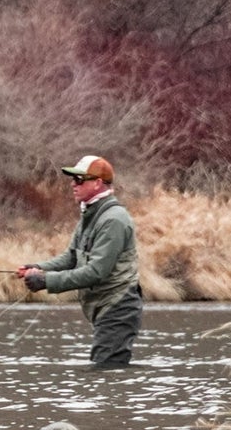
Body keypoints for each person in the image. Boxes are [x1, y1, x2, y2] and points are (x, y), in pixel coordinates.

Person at [14, 155, 141, 367]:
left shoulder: (113, 220)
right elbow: (71, 257)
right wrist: (37, 268)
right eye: (73, 179)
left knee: (105, 372)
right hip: (105, 307)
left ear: (98, 183)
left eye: (79, 179)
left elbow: (96, 272)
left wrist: (46, 281)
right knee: (105, 371)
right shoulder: (91, 215)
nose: (73, 184)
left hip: (117, 307)